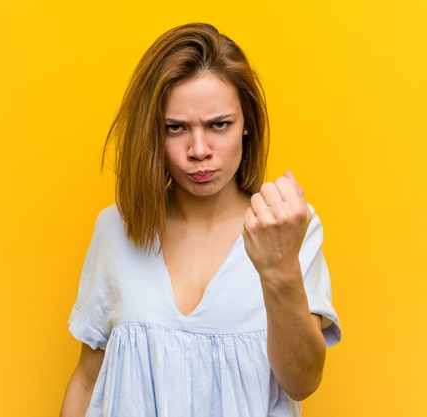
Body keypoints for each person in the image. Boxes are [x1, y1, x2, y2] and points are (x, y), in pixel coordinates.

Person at [60, 22, 341, 417]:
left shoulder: (289, 228)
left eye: (219, 125)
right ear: (153, 134)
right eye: (176, 128)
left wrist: (279, 269)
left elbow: (302, 381)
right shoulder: (116, 230)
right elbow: (88, 379)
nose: (198, 150)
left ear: (247, 126)